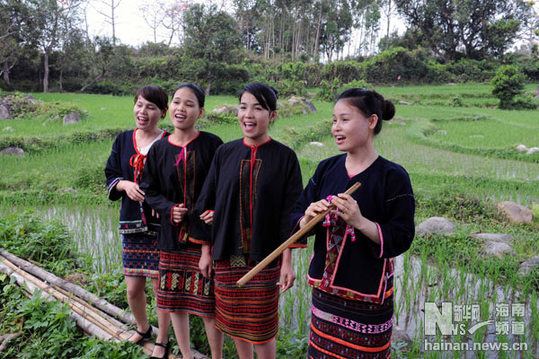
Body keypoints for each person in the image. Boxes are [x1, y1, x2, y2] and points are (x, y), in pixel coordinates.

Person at [291, 88, 415, 358]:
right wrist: (308, 218)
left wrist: (360, 221)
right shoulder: (326, 168)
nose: (336, 127)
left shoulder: (393, 176)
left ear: (371, 122)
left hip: (367, 295)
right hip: (325, 294)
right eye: (334, 120)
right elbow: (297, 215)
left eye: (344, 120)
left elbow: (402, 235)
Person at [195, 82, 303, 359]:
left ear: (273, 115)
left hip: (265, 256)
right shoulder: (225, 153)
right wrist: (206, 251)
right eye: (243, 107)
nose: (249, 115)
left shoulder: (285, 158)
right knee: (235, 323)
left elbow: (289, 215)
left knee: (262, 328)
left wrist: (287, 263)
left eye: (258, 108)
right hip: (228, 255)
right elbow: (207, 200)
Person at [140, 83, 224, 359]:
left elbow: (224, 189)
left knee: (208, 305)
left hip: (205, 238)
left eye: (189, 104)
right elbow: (148, 190)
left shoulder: (213, 146)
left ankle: (216, 357)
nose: (180, 108)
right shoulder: (159, 149)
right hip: (171, 239)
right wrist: (168, 208)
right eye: (176, 102)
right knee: (175, 301)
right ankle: (186, 355)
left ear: (200, 112)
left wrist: (215, 214)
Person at [104, 86, 171, 358]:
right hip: (132, 222)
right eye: (139, 105)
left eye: (151, 107)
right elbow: (111, 172)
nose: (143, 112)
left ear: (162, 113)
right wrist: (123, 184)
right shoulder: (123, 140)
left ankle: (163, 340)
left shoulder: (169, 142)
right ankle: (143, 327)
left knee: (160, 287)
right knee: (133, 288)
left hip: (161, 227)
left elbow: (177, 182)